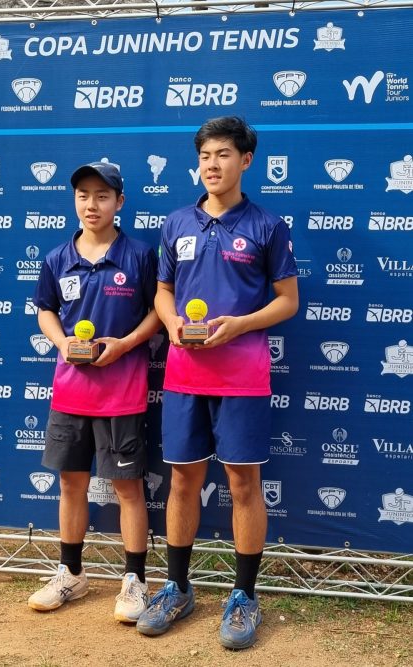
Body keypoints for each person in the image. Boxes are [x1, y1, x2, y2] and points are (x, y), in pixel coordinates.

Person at [136, 117, 299, 648]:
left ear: (246, 160)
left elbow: (288, 301)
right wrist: (171, 322)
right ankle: (177, 588)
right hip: (184, 375)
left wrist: (240, 325)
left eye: (224, 154)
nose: (212, 164)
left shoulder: (268, 226)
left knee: (243, 484)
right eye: (205, 155)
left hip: (243, 376)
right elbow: (163, 290)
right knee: (182, 480)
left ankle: (245, 596)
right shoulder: (176, 222)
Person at [28, 161, 160, 623]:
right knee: (70, 483)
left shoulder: (140, 256)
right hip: (70, 392)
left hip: (122, 391)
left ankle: (135, 580)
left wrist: (125, 343)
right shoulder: (56, 258)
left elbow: (159, 312)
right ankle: (71, 572)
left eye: (102, 196)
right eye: (83, 195)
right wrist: (62, 343)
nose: (91, 204)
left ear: (119, 202)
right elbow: (45, 309)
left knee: (128, 487)